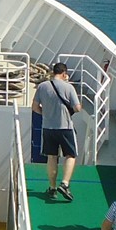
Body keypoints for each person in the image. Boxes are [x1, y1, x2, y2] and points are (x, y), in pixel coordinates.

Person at [33, 62, 80, 201]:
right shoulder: (69, 87)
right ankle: (65, 184)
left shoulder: (42, 86)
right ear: (64, 73)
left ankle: (52, 188)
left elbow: (35, 107)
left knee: (52, 157)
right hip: (65, 127)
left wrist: (46, 114)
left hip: (48, 127)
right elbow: (77, 108)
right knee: (70, 155)